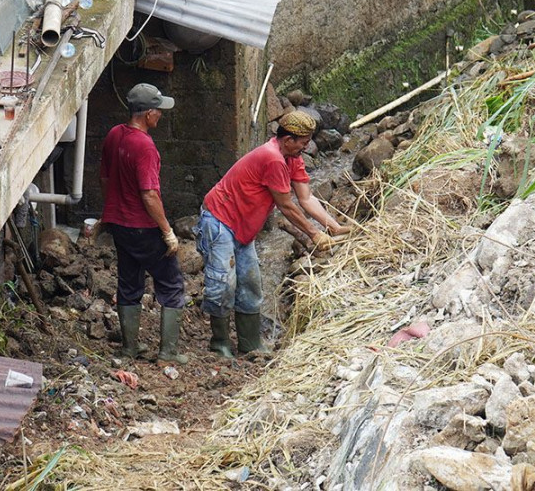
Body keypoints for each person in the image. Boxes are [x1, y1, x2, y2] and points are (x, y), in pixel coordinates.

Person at [196, 110, 350, 358]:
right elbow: (287, 205)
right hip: (220, 220)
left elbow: (306, 198)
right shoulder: (273, 159)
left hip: (244, 227)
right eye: (303, 142)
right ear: (288, 140)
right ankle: (220, 343)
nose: (306, 146)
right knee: (223, 283)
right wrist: (313, 234)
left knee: (250, 284)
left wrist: (332, 226)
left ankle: (249, 343)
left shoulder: (292, 158)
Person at [99, 83, 187, 364]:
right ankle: (168, 352)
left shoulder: (115, 135)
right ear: (148, 114)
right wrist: (167, 231)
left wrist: (111, 209)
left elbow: (104, 178)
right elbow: (149, 195)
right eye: (158, 111)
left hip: (120, 224)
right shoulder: (145, 146)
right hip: (143, 226)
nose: (160, 116)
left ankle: (129, 349)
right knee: (171, 283)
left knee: (129, 281)